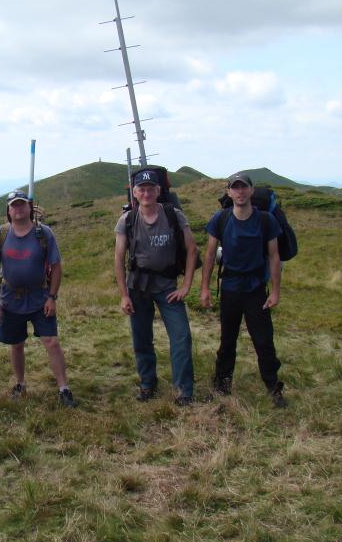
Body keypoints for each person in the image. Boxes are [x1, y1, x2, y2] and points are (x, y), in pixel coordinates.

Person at [0, 190, 78, 407]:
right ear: (8, 210)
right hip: (10, 299)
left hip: (40, 297)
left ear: (29, 207)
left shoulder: (44, 234)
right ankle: (20, 384)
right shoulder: (0, 235)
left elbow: (56, 266)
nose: (18, 209)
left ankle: (64, 389)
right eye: (14, 205)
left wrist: (52, 297)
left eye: (21, 204)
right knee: (16, 344)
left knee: (51, 342)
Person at [200, 172, 287, 407]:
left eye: (244, 187)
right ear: (229, 192)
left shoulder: (266, 220)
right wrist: (205, 288)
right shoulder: (220, 219)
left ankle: (273, 388)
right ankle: (222, 386)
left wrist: (275, 292)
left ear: (251, 190)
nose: (240, 192)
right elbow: (210, 254)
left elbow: (274, 256)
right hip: (230, 288)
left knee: (264, 341)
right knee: (227, 340)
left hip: (256, 289)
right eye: (235, 188)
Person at [114, 170, 198, 405]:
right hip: (137, 287)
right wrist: (124, 295)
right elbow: (118, 258)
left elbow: (192, 250)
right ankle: (147, 384)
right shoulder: (127, 220)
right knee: (142, 338)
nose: (146, 193)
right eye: (142, 189)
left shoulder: (173, 215)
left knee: (181, 337)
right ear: (135, 192)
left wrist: (186, 286)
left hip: (168, 287)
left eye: (151, 188)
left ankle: (183, 391)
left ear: (159, 191)